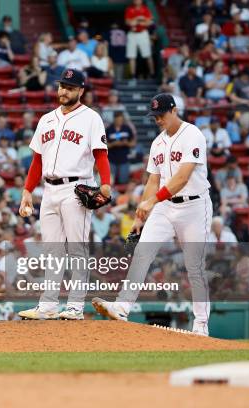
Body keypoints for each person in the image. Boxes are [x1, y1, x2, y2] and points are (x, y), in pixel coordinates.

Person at [92, 93, 212, 337]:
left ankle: (201, 325)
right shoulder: (157, 142)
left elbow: (182, 178)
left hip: (194, 206)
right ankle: (123, 306)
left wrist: (153, 201)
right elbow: (153, 181)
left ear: (174, 110)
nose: (158, 119)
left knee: (194, 266)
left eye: (161, 114)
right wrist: (141, 214)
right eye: (154, 116)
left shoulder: (193, 135)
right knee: (142, 252)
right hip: (165, 207)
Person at [18, 68, 111, 321]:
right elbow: (37, 160)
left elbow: (101, 154)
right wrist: (27, 190)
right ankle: (48, 305)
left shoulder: (91, 118)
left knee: (77, 250)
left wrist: (106, 184)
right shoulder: (46, 119)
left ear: (81, 90)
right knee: (53, 251)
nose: (63, 91)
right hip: (48, 190)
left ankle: (75, 307)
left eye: (69, 87)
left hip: (76, 188)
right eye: (61, 86)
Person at [124, 0, 154, 78]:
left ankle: (152, 74)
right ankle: (133, 75)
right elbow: (128, 22)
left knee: (148, 55)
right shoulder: (129, 9)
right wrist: (140, 20)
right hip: (132, 34)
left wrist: (136, 21)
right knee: (131, 55)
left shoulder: (145, 9)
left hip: (143, 33)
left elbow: (149, 22)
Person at [106, 112, 136, 184]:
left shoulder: (127, 128)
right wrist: (113, 144)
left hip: (124, 159)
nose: (119, 122)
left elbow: (133, 143)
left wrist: (126, 143)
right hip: (111, 159)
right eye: (117, 120)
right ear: (114, 120)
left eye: (120, 120)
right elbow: (104, 145)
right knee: (110, 181)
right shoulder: (109, 129)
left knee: (123, 180)